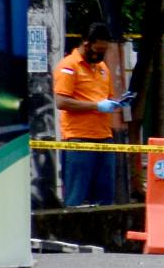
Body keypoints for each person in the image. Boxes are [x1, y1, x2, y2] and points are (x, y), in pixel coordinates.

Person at [54, 22, 126, 206]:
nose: (101, 55)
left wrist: (116, 104)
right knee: (76, 196)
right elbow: (61, 102)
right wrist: (96, 106)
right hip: (79, 139)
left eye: (104, 50)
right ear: (86, 44)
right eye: (98, 50)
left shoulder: (102, 68)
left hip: (104, 138)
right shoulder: (69, 66)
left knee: (105, 197)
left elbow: (107, 97)